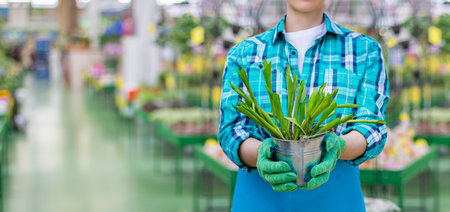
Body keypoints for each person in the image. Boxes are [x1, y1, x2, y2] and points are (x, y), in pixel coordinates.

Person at [218, 0, 389, 211]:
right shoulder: (244, 53)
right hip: (259, 201)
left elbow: (372, 126)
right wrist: (263, 154)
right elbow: (231, 129)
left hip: (336, 201)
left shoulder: (364, 50)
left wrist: (338, 147)